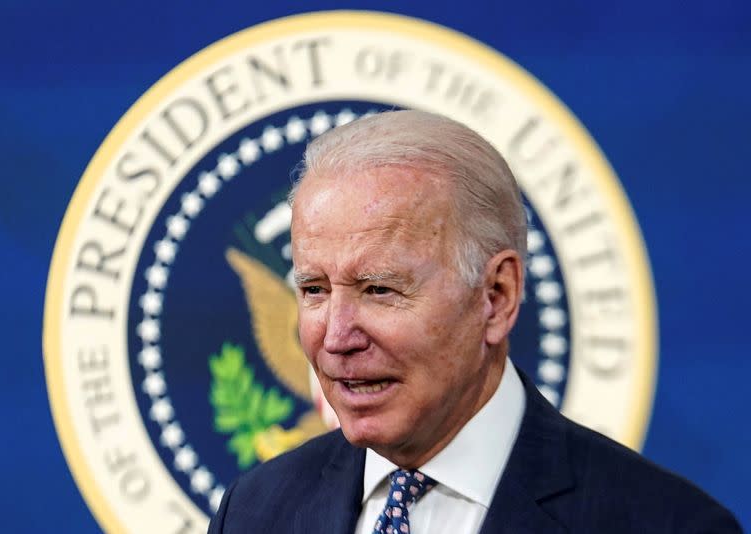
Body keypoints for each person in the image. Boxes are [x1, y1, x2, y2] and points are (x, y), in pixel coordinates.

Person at [208, 110, 740, 533]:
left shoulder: (663, 524)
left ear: (496, 296)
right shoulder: (255, 513)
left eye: (380, 289)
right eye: (315, 290)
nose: (337, 336)